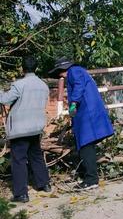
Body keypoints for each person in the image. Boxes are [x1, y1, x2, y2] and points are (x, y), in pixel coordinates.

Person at [49, 57, 114, 190]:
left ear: (63, 69)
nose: (60, 76)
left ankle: (91, 179)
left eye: (59, 72)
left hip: (87, 115)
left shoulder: (74, 71)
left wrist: (73, 104)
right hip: (87, 114)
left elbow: (78, 86)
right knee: (86, 146)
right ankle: (87, 176)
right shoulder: (79, 70)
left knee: (85, 146)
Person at [0, 56, 51, 203]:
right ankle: (44, 184)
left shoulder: (19, 85)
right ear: (36, 68)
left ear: (23, 69)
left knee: (19, 160)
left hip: (20, 128)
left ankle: (21, 194)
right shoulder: (43, 85)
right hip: (36, 127)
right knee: (36, 156)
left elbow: (5, 100)